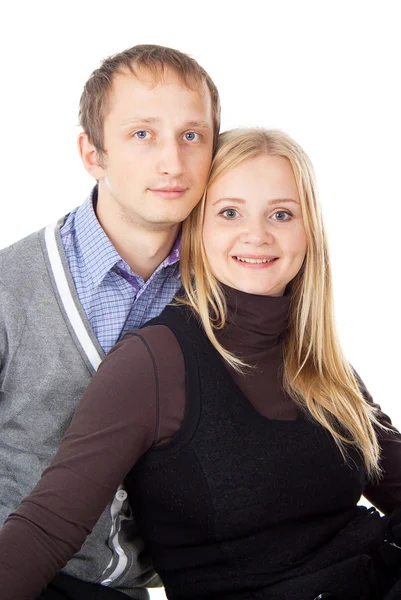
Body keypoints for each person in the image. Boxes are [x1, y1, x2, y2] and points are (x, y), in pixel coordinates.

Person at [1, 128, 401, 600]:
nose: (258, 234)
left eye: (282, 214)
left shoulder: (319, 362)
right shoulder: (153, 362)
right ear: (197, 227)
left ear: (308, 229)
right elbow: (46, 527)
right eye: (230, 212)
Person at [0, 43, 219, 599]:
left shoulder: (221, 285)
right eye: (142, 134)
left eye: (192, 135)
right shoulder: (11, 287)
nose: (173, 161)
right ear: (93, 154)